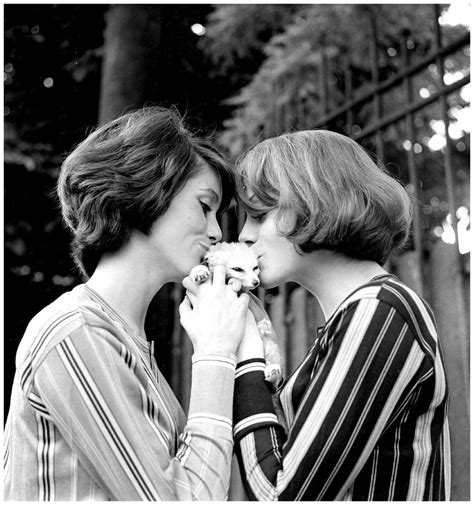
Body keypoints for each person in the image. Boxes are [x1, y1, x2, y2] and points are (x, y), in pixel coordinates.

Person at [3, 106, 250, 501]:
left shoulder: (122, 341)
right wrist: (216, 354)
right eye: (205, 207)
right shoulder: (76, 331)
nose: (217, 231)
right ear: (147, 188)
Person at [193, 129, 451, 500]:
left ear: (315, 202)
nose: (245, 236)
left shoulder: (379, 312)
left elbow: (281, 497)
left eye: (259, 216)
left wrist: (246, 353)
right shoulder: (357, 316)